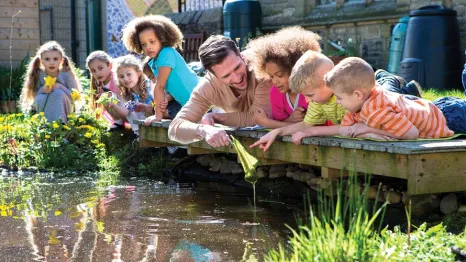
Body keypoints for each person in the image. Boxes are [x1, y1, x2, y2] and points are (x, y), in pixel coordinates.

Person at [167, 35, 272, 147]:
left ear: (241, 56)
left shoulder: (262, 65)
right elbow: (174, 129)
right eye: (226, 75)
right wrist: (203, 130)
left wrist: (217, 118)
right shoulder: (208, 86)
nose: (237, 78)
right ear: (212, 75)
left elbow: (259, 116)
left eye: (237, 67)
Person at [327, 57, 454, 140]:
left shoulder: (378, 110)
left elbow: (412, 134)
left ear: (358, 94)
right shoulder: (359, 105)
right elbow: (344, 129)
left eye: (339, 97)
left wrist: (368, 129)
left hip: (449, 118)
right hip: (435, 109)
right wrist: (364, 132)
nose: (337, 102)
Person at [121, 15, 198, 122]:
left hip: (200, 103)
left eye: (152, 41)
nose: (148, 47)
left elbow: (159, 86)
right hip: (187, 102)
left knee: (170, 113)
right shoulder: (155, 60)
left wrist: (158, 116)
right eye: (143, 44)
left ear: (162, 39)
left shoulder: (166, 53)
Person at [245, 26, 322, 128]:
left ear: (295, 68)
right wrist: (292, 119)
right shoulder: (275, 92)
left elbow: (310, 126)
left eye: (279, 75)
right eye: (271, 76)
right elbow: (284, 122)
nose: (275, 81)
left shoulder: (310, 92)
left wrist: (267, 123)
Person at [20, 41, 81, 123]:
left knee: (57, 93)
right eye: (47, 59)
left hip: (66, 110)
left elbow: (76, 97)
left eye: (55, 59)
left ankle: (61, 125)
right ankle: (44, 125)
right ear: (41, 61)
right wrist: (42, 90)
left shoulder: (66, 76)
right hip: (44, 108)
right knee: (41, 97)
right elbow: (34, 96)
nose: (51, 62)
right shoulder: (39, 75)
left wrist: (60, 86)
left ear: (61, 61)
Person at [108, 55, 154, 136]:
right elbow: (125, 113)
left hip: (155, 117)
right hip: (142, 125)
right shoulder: (126, 93)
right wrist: (114, 105)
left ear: (138, 73)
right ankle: (138, 134)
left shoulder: (149, 85)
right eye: (121, 76)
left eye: (129, 74)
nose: (125, 79)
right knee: (129, 105)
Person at [86, 50, 126, 130]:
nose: (97, 73)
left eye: (100, 68)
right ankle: (117, 121)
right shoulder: (99, 82)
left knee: (107, 95)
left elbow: (124, 98)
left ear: (109, 65)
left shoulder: (116, 79)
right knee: (104, 96)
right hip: (118, 110)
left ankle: (122, 121)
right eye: (93, 71)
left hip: (127, 109)